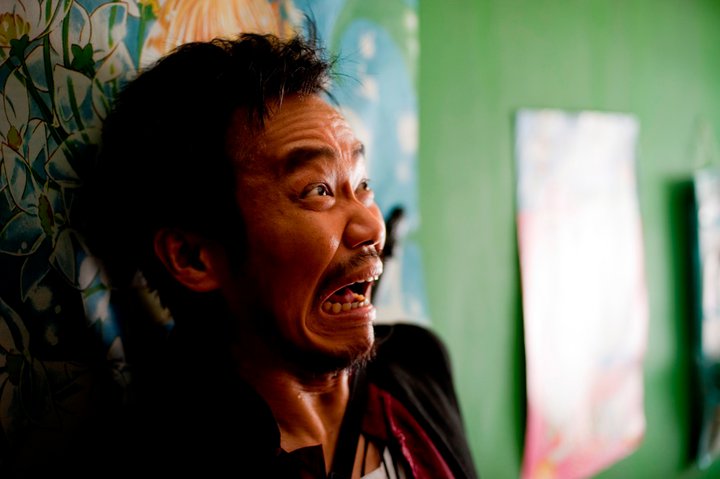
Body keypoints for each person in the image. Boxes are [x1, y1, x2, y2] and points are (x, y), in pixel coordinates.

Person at [82, 28, 478, 479]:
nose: (372, 228)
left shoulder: (416, 365)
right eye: (318, 190)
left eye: (362, 184)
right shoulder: (159, 457)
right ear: (193, 257)